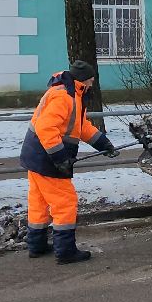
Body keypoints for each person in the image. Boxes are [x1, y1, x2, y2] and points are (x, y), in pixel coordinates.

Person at [20, 60, 119, 263]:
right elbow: (46, 128)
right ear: (83, 80)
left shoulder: (71, 94)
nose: (92, 84)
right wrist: (60, 158)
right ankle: (65, 252)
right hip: (48, 158)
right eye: (91, 80)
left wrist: (103, 144)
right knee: (65, 202)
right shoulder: (64, 97)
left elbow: (81, 126)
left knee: (39, 202)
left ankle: (37, 246)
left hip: (37, 155)